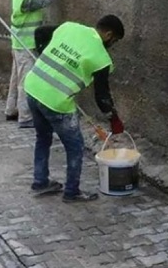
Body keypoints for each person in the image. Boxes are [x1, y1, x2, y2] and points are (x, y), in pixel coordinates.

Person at [23, 15, 126, 202]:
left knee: (43, 138)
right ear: (109, 34)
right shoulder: (102, 59)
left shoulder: (70, 27)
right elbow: (102, 96)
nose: (113, 44)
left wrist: (42, 54)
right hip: (56, 102)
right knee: (75, 147)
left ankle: (40, 182)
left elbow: (40, 32)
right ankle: (72, 192)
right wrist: (113, 118)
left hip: (32, 87)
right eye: (115, 40)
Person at [4, 0, 59, 128]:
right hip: (25, 48)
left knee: (15, 79)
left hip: (18, 46)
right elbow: (44, 1)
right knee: (24, 82)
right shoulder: (26, 1)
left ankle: (11, 110)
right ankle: (25, 117)